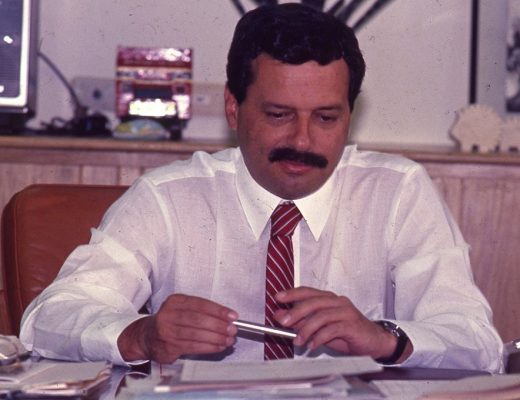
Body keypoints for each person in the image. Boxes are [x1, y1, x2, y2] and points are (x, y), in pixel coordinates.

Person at [20, 3, 503, 372]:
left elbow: (478, 342)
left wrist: (386, 340)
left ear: (350, 114)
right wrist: (139, 335)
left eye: (326, 118)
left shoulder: (397, 192)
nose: (303, 140)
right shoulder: (166, 198)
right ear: (234, 108)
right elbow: (48, 318)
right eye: (278, 115)